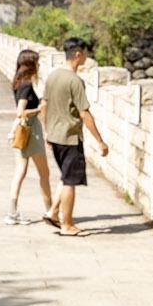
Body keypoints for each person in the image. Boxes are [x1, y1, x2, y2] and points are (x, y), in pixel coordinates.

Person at [42, 37, 110, 236]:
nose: (86, 57)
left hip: (55, 136)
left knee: (65, 176)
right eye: (85, 53)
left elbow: (44, 105)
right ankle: (67, 225)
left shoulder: (53, 76)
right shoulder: (75, 81)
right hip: (70, 138)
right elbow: (84, 113)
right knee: (70, 182)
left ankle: (53, 212)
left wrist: (47, 130)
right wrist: (100, 141)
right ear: (78, 54)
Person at [6, 47, 54, 226]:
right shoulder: (26, 85)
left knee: (20, 171)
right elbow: (21, 112)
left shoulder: (18, 82)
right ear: (30, 64)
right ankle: (50, 211)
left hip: (21, 130)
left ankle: (12, 212)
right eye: (36, 62)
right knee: (44, 173)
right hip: (31, 130)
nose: (39, 65)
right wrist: (39, 108)